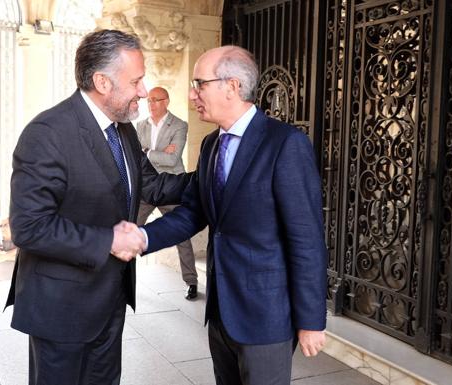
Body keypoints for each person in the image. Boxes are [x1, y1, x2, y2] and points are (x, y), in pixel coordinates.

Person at [125, 45, 328, 385]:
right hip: (221, 313)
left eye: (199, 84)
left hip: (266, 317)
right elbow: (195, 213)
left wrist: (311, 320)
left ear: (232, 87)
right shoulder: (211, 145)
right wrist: (143, 238)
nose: (191, 95)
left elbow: (306, 239)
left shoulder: (285, 144)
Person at [5, 29, 190, 385]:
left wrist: (215, 177)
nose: (142, 90)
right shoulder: (48, 132)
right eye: (135, 81)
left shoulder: (124, 130)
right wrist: (108, 240)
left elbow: (151, 184)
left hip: (110, 301)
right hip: (61, 309)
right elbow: (29, 227)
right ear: (102, 81)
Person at [136, 86, 198, 300]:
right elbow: (137, 157)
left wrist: (147, 152)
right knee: (130, 229)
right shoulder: (140, 125)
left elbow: (172, 160)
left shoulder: (180, 125)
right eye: (149, 100)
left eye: (155, 100)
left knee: (182, 235)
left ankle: (191, 281)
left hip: (171, 187)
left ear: (166, 101)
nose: (151, 104)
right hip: (146, 187)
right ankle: (118, 279)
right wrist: (153, 153)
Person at [0, 217, 17, 281]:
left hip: (18, 283)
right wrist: (17, 250)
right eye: (0, 226)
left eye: (5, 225)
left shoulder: (20, 240)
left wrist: (4, 256)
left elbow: (25, 258)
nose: (2, 228)